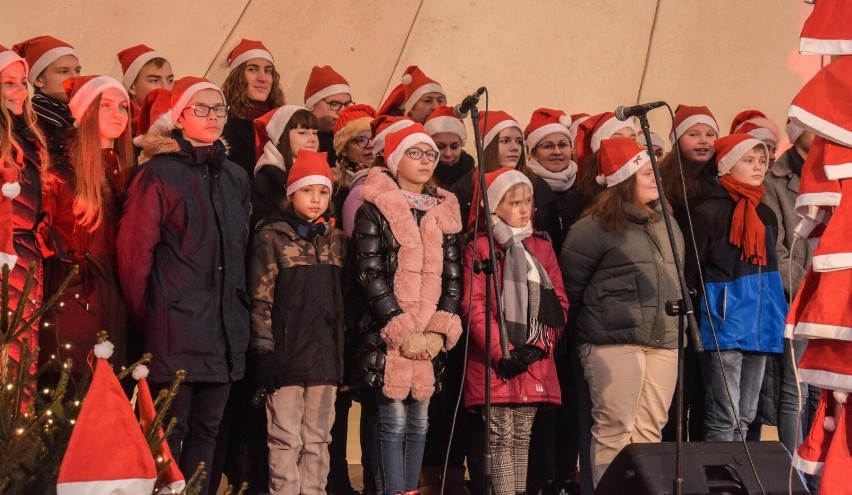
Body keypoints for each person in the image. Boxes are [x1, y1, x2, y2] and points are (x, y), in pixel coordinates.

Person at [117, 76, 250, 495]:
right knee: (171, 432)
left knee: (209, 431)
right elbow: (134, 255)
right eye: (202, 109)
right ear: (179, 116)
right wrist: (153, 314)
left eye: (220, 109)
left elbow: (239, 255)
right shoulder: (156, 175)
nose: (213, 117)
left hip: (225, 330)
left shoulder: (233, 176)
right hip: (174, 327)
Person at [560, 137, 683, 486]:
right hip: (612, 341)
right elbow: (571, 289)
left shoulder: (667, 222)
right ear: (625, 178)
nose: (655, 178)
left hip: (664, 338)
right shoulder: (592, 228)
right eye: (646, 172)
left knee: (650, 429)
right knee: (615, 429)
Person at [351, 123, 463, 495]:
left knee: (420, 423)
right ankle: (391, 491)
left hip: (427, 338)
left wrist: (436, 329)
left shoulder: (441, 213)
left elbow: (452, 278)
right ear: (396, 158)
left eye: (430, 154)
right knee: (392, 421)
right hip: (389, 336)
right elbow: (370, 272)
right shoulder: (375, 209)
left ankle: (409, 490)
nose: (426, 161)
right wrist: (400, 327)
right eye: (415, 153)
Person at [463, 167, 568, 495]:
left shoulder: (542, 247)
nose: (525, 209)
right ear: (493, 208)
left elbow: (558, 305)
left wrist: (535, 348)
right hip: (496, 363)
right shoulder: (481, 248)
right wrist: (502, 351)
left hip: (533, 360)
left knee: (522, 437)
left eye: (528, 202)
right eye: (514, 203)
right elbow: (474, 307)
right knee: (499, 437)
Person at [248, 149, 346, 495]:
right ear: (291, 193)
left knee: (319, 439)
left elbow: (342, 302)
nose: (316, 199)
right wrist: (263, 351)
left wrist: (341, 355)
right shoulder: (272, 237)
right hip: (286, 357)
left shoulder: (336, 240)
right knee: (285, 438)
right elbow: (262, 299)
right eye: (307, 190)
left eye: (323, 192)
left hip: (325, 359)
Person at [688, 134, 786, 442]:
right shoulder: (708, 211)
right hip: (725, 323)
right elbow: (693, 268)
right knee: (723, 416)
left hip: (760, 324)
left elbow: (770, 272)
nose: (758, 167)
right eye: (748, 161)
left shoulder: (765, 213)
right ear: (727, 166)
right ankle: (717, 485)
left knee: (746, 415)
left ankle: (737, 484)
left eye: (762, 161)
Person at [41, 76, 132, 385]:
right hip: (71, 310)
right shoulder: (60, 173)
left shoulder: (126, 174)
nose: (117, 114)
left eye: (123, 107)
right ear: (85, 111)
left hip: (112, 307)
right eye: (105, 105)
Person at [658, 104, 721, 443]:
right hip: (677, 293)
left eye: (710, 134)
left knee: (702, 392)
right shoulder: (664, 184)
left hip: (711, 297)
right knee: (673, 392)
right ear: (677, 139)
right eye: (694, 134)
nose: (703, 141)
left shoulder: (723, 180)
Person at [0, 45, 50, 397]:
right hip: (6, 255)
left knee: (23, 362)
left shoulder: (30, 141)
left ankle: (19, 446)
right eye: (8, 84)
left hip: (29, 257)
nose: (20, 92)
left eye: (23, 82)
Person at [451, 110, 559, 243]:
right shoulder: (465, 188)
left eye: (519, 141)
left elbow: (552, 240)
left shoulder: (537, 186)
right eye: (505, 141)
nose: (515, 148)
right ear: (488, 146)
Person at [221, 39, 286, 177]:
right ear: (237, 77)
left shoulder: (285, 121)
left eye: (268, 71)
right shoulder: (222, 123)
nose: (263, 78)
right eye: (253, 69)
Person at [13, 35, 81, 152]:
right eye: (63, 71)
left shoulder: (83, 116)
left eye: (77, 70)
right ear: (39, 80)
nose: (75, 78)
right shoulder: (30, 126)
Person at [116, 44, 173, 133]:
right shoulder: (120, 124)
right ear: (132, 87)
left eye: (170, 80)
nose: (166, 88)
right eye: (154, 80)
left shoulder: (181, 117)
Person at [305, 65, 353, 168]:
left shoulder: (350, 141)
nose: (342, 111)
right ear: (312, 105)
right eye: (334, 104)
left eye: (347, 105)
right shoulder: (297, 139)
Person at [424, 105, 474, 189]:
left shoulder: (474, 178)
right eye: (440, 147)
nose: (448, 154)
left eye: (454, 147)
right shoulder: (419, 179)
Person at [377, 66, 446, 123]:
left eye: (440, 101)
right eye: (428, 101)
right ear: (411, 108)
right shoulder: (397, 131)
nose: (436, 107)